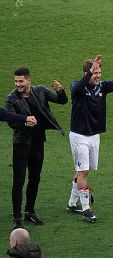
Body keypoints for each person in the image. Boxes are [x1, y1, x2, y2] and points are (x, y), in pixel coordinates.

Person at [67, 52, 113, 223]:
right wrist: (89, 73)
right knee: (84, 171)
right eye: (95, 73)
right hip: (79, 135)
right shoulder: (77, 87)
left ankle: (72, 202)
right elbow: (76, 88)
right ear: (86, 73)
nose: (98, 76)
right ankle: (86, 209)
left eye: (99, 73)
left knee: (83, 170)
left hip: (94, 136)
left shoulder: (102, 87)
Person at [6, 68, 62, 228]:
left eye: (21, 81)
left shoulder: (40, 91)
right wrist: (24, 122)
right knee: (18, 181)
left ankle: (30, 211)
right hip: (21, 145)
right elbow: (10, 121)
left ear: (29, 80)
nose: (18, 84)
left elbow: (62, 101)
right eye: (16, 81)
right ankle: (17, 218)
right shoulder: (11, 98)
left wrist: (60, 92)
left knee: (35, 178)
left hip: (38, 143)